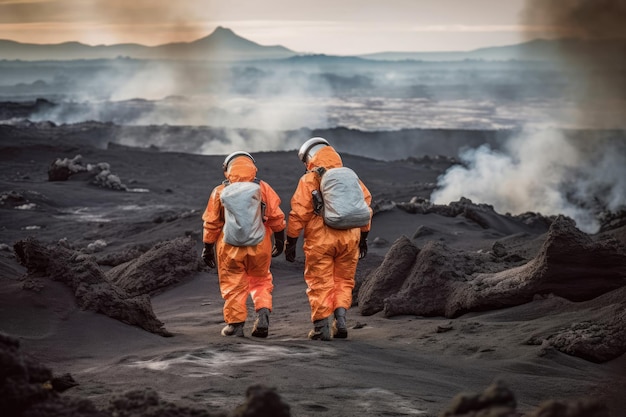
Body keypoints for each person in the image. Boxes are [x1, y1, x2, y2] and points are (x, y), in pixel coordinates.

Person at [285, 137, 372, 340]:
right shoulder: (351, 178)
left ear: (309, 158)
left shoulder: (310, 179)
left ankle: (321, 327)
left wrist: (291, 241)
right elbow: (366, 206)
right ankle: (340, 320)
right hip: (351, 237)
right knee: (343, 280)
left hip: (321, 239)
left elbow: (299, 213)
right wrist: (364, 237)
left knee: (320, 282)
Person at [202, 151, 286, 338]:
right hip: (260, 244)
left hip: (230, 246)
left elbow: (212, 223)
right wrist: (280, 240)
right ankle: (263, 312)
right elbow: (276, 216)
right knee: (261, 280)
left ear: (227, 170)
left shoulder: (220, 191)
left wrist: (207, 247)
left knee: (233, 283)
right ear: (253, 168)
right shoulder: (262, 188)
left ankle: (235, 325)